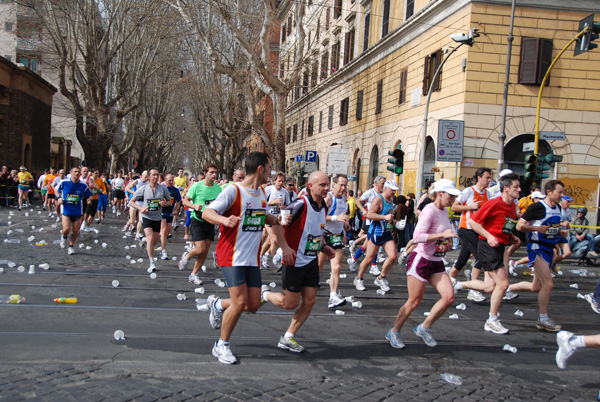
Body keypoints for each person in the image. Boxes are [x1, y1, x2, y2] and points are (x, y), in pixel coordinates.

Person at [200, 152, 279, 364]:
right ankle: (221, 345)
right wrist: (224, 221)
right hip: (231, 255)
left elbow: (264, 217)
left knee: (252, 305)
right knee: (239, 302)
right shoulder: (233, 191)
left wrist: (279, 219)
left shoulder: (261, 193)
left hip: (251, 258)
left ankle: (217, 304)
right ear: (260, 169)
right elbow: (207, 212)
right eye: (269, 169)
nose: (271, 174)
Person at [261, 171, 336, 353]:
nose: (326, 188)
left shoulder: (323, 206)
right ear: (310, 186)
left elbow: (318, 232)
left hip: (310, 261)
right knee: (291, 303)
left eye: (328, 184)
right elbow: (277, 223)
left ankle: (288, 337)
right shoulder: (299, 205)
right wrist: (285, 247)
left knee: (310, 301)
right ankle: (265, 295)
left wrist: (324, 246)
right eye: (322, 185)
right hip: (293, 261)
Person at [385, 179, 458, 349]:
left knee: (449, 297)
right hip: (421, 259)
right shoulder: (429, 210)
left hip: (436, 260)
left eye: (454, 196)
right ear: (440, 193)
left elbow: (442, 234)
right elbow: (417, 237)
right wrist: (442, 234)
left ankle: (424, 327)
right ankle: (394, 331)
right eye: (451, 195)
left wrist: (446, 242)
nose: (453, 199)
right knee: (414, 301)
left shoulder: (445, 211)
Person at [452, 173, 521, 334]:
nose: (519, 190)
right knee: (503, 284)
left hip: (499, 246)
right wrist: (489, 236)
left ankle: (458, 284)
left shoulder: (512, 206)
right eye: (516, 187)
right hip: (488, 247)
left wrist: (511, 236)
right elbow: (473, 222)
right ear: (506, 189)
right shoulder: (494, 203)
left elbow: (502, 225)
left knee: (490, 287)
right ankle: (492, 320)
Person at [508, 180, 567, 332]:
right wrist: (536, 228)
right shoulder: (537, 207)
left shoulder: (558, 208)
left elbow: (553, 228)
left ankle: (506, 288)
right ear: (549, 192)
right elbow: (519, 225)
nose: (562, 195)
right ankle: (543, 319)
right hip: (536, 247)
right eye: (559, 192)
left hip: (548, 248)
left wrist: (560, 234)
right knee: (548, 284)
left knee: (536, 287)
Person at [448, 168, 492, 304]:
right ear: (479, 177)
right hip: (466, 228)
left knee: (462, 260)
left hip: (478, 230)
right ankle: (473, 290)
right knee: (481, 257)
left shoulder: (488, 194)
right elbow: (454, 207)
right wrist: (470, 207)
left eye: (490, 178)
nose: (489, 180)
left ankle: (448, 283)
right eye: (487, 177)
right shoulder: (469, 191)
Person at [179, 163, 222, 285]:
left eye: (215, 172)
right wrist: (194, 206)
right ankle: (187, 256)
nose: (214, 175)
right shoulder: (197, 186)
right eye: (211, 172)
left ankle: (194, 274)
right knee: (200, 248)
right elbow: (185, 201)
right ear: (205, 173)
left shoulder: (218, 189)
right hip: (197, 220)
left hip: (210, 221)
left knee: (205, 251)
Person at [354, 180, 398, 292]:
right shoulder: (378, 199)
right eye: (392, 190)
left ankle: (381, 277)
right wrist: (385, 218)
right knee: (369, 258)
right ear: (387, 188)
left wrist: (392, 220)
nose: (394, 192)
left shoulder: (391, 200)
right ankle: (359, 278)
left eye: (395, 190)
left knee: (393, 256)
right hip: (376, 233)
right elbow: (369, 215)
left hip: (386, 233)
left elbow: (388, 215)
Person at [317, 174, 350, 308]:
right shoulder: (329, 198)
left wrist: (345, 224)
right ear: (334, 184)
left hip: (336, 236)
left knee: (336, 267)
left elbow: (342, 218)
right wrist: (336, 218)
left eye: (345, 185)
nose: (343, 188)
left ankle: (333, 296)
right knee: (318, 266)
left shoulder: (344, 199)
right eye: (341, 185)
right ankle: (308, 284)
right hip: (324, 235)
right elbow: (320, 216)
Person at [129, 169, 172, 272]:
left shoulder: (163, 189)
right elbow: (131, 202)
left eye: (157, 175)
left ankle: (144, 240)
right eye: (153, 175)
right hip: (146, 216)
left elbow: (169, 201)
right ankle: (152, 262)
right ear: (149, 177)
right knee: (150, 237)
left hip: (157, 217)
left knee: (154, 241)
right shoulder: (143, 189)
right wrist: (141, 209)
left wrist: (163, 204)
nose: (155, 177)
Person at [348, 176, 386, 273]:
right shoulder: (370, 192)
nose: (384, 185)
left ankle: (353, 259)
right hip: (370, 222)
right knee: (374, 244)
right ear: (376, 183)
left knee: (367, 245)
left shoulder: (382, 194)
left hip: (379, 222)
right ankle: (373, 265)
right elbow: (358, 201)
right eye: (382, 183)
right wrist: (363, 210)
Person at [55, 166, 93, 255]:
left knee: (75, 231)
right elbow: (56, 190)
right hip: (66, 209)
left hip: (77, 211)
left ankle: (71, 247)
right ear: (71, 172)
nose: (76, 173)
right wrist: (59, 198)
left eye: (78, 172)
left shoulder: (83, 185)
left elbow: (90, 194)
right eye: (75, 171)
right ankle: (64, 237)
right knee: (66, 229)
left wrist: (89, 200)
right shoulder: (64, 182)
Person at [260, 172, 291, 269]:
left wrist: (283, 207)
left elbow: (288, 205)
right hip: (268, 218)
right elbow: (262, 203)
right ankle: (276, 262)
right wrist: (274, 202)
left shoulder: (285, 192)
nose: (281, 183)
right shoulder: (268, 189)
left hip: (278, 219)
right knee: (273, 240)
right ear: (274, 181)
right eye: (279, 181)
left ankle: (260, 256)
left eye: (283, 181)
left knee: (271, 241)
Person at [159, 174, 181, 260]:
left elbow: (179, 201)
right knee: (164, 231)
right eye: (169, 180)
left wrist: (176, 209)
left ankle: (147, 239)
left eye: (172, 180)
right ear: (165, 180)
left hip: (170, 212)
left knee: (166, 233)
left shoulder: (175, 190)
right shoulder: (161, 188)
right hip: (161, 212)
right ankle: (164, 251)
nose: (171, 182)